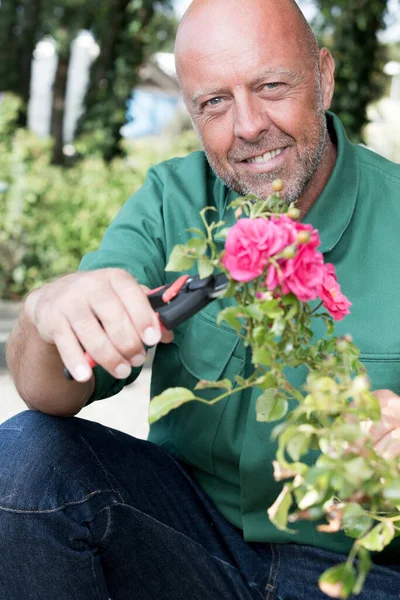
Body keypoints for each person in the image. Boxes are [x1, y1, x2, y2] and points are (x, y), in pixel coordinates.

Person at [2, 0, 400, 598]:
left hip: (361, 570)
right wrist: (46, 312)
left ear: (324, 77)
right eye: (214, 102)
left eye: (270, 86)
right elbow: (48, 389)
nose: (246, 126)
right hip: (185, 544)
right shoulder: (174, 199)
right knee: (26, 460)